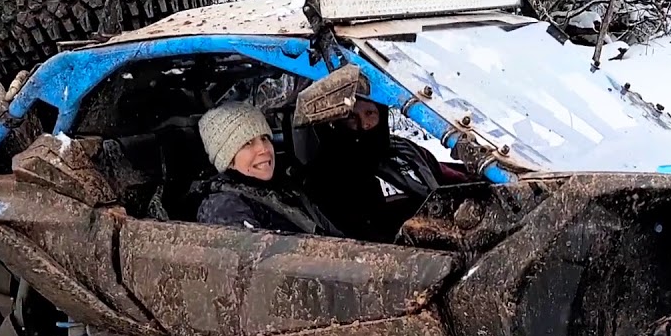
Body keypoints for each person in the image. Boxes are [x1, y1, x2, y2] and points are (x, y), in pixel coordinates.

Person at [303, 98, 467, 243]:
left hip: (452, 235)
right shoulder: (329, 172)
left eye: (370, 113)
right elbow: (354, 236)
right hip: (406, 260)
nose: (364, 124)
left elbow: (449, 177)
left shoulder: (406, 150)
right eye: (352, 117)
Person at [182, 101, 342, 237]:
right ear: (228, 160)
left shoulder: (282, 188)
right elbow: (256, 267)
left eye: (264, 138)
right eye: (247, 143)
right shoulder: (224, 208)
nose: (264, 149)